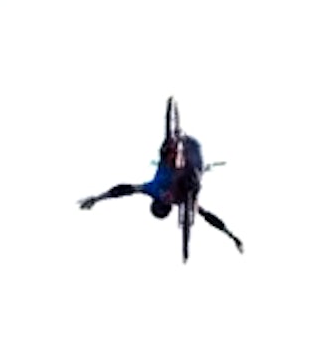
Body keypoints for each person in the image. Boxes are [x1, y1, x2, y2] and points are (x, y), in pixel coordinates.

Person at [77, 103, 244, 254]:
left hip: (182, 154)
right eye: (166, 203)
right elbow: (208, 216)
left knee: (167, 156)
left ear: (158, 201)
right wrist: (232, 236)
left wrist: (98, 198)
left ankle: (174, 142)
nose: (166, 198)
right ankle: (184, 163)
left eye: (162, 200)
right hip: (194, 162)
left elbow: (124, 190)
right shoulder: (173, 199)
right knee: (193, 190)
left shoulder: (152, 190)